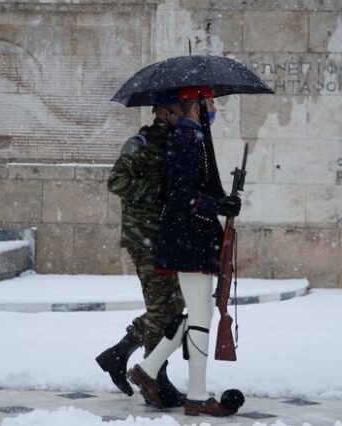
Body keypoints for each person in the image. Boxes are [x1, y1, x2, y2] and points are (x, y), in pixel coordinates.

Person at [126, 86, 242, 417]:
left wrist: (224, 200)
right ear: (198, 108)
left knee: (198, 314)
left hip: (194, 240)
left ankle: (149, 370)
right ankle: (197, 394)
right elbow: (181, 197)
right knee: (202, 317)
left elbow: (197, 191)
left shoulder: (194, 139)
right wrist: (218, 204)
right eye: (211, 104)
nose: (215, 109)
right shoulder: (186, 141)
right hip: (188, 240)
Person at [95, 90, 187, 407]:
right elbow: (116, 182)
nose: (185, 111)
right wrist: (156, 189)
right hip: (145, 237)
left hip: (169, 238)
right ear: (163, 112)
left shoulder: (180, 143)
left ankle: (118, 354)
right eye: (180, 107)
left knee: (171, 308)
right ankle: (156, 380)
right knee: (164, 311)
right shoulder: (141, 144)